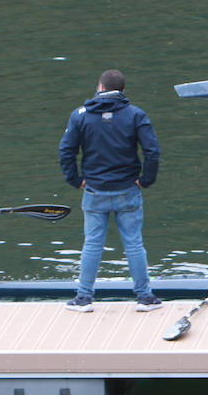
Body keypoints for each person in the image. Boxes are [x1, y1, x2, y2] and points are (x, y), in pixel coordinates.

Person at [58, 69, 162, 313]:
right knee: (134, 244)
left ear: (100, 88)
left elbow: (66, 151)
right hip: (128, 189)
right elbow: (152, 152)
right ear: (123, 91)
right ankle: (144, 298)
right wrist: (145, 180)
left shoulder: (80, 116)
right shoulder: (136, 115)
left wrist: (76, 181)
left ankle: (83, 298)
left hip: (94, 191)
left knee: (92, 244)